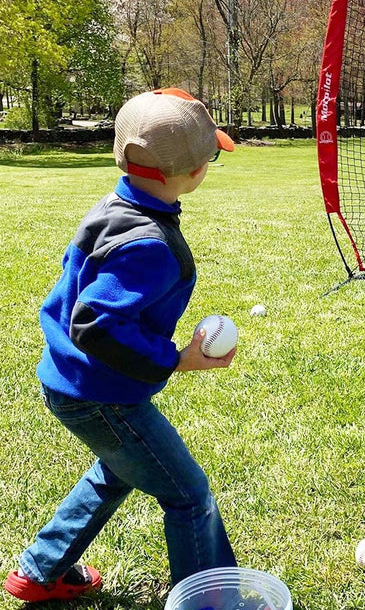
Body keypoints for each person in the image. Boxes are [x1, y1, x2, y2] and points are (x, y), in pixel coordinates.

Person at [4, 88, 238, 602]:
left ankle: (39, 571)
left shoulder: (116, 204)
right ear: (194, 172)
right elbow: (96, 324)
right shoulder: (149, 245)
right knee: (189, 495)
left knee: (116, 471)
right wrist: (176, 358)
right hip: (103, 397)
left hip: (75, 383)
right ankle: (210, 598)